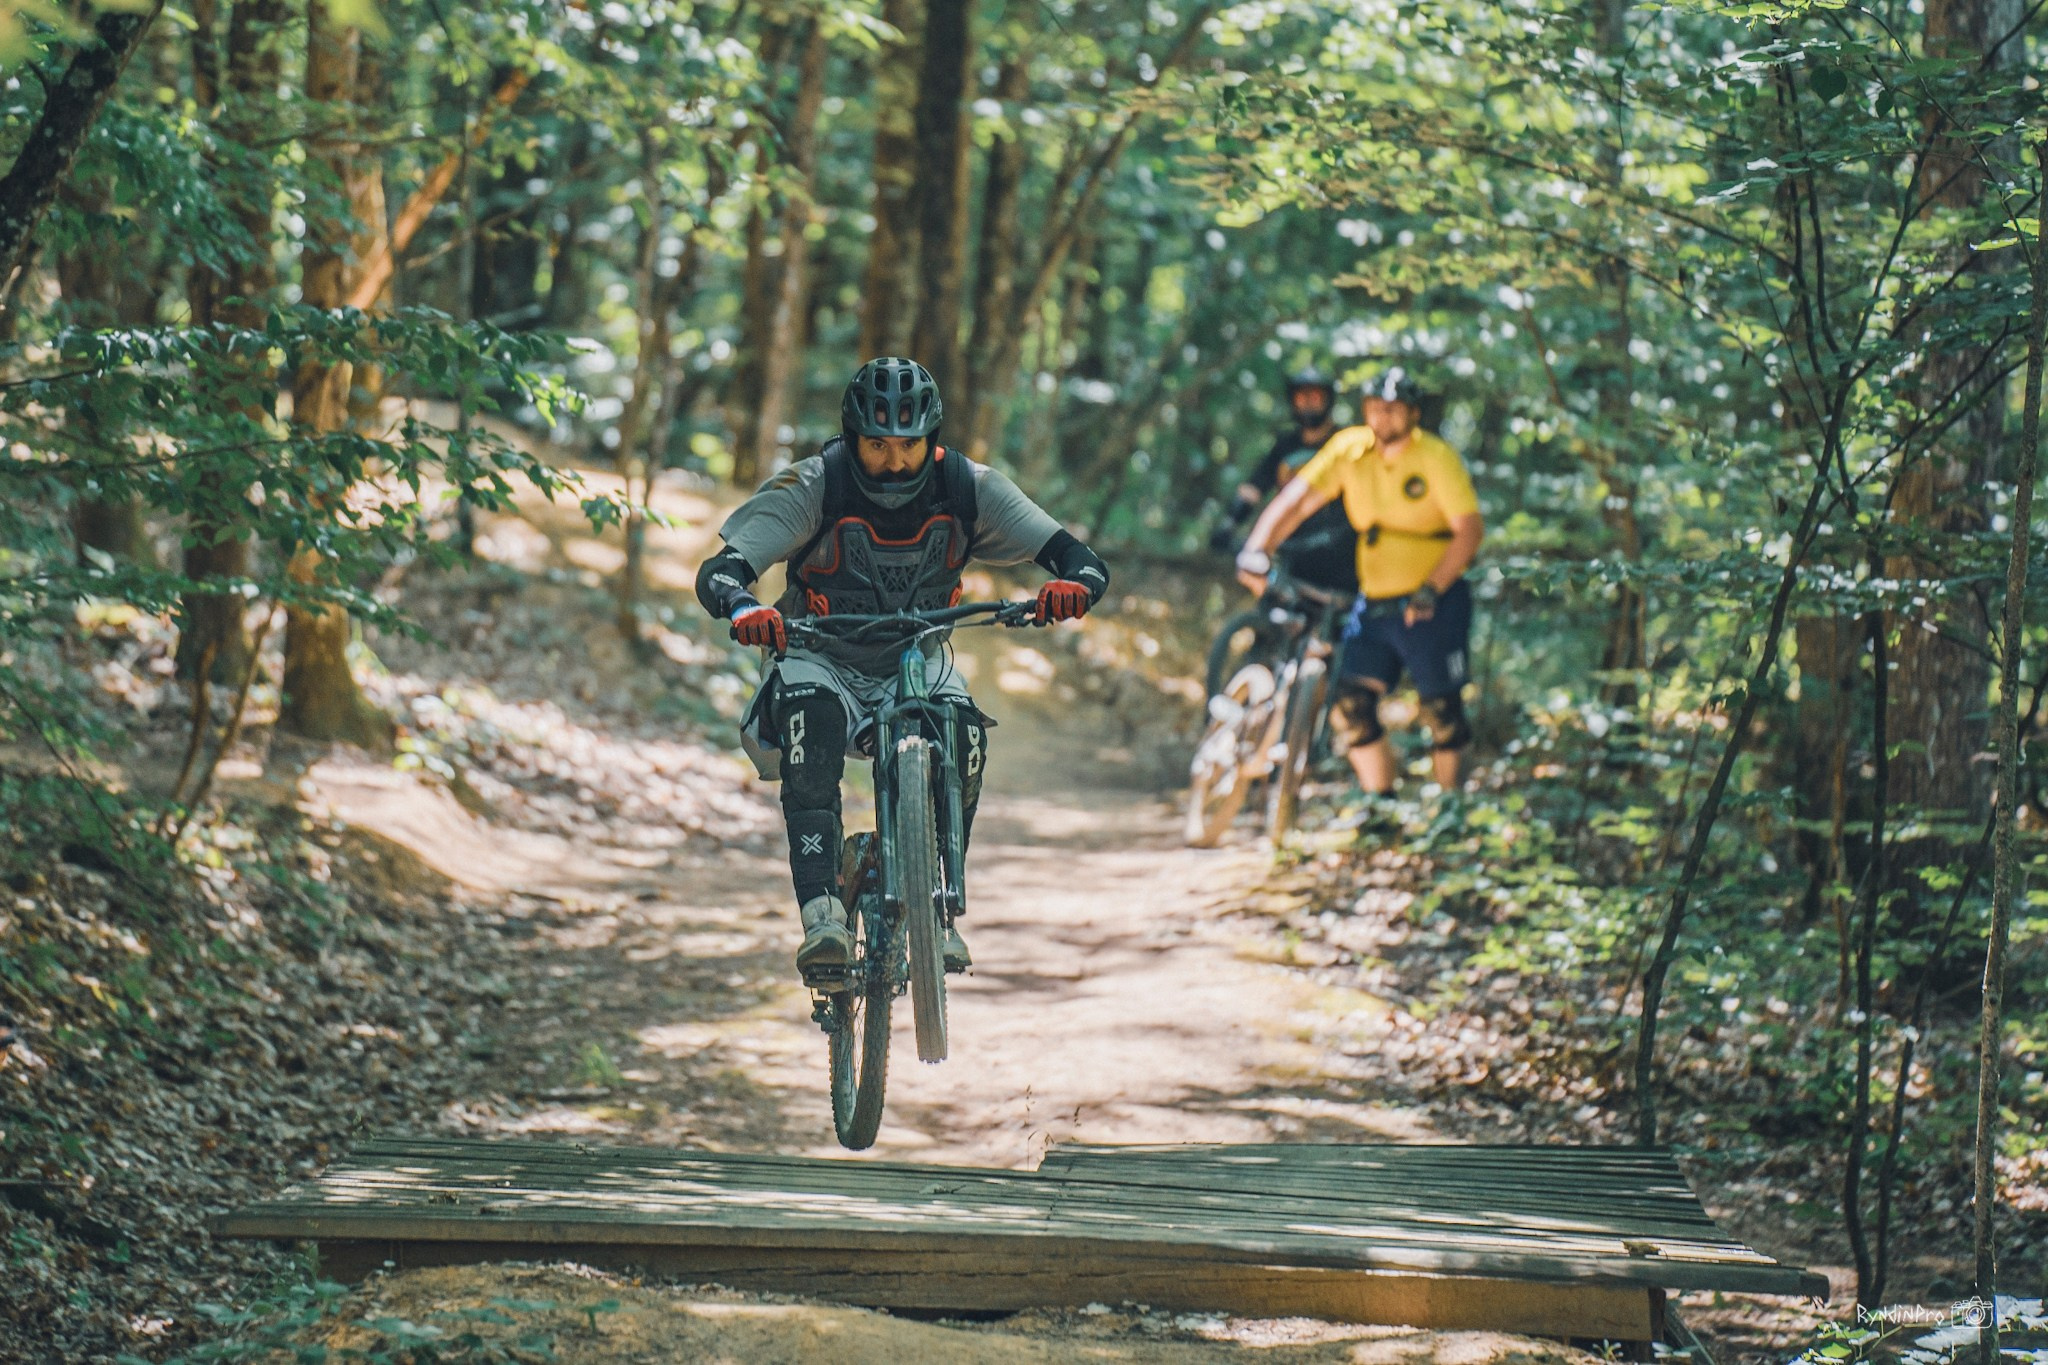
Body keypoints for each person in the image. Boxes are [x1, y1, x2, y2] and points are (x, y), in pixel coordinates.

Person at [696, 357, 1110, 982]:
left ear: (932, 440)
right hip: (820, 653)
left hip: (918, 658)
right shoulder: (815, 486)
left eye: (909, 446)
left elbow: (1078, 559)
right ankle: (823, 919)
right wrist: (747, 606)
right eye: (877, 444)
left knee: (965, 736)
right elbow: (721, 571)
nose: (893, 462)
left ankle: (938, 912)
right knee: (812, 730)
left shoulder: (970, 488)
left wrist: (1070, 588)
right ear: (851, 437)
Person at [1234, 367, 1483, 795]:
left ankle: (1451, 812)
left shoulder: (1435, 457)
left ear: (1413, 413)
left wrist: (1433, 587)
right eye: (1373, 408)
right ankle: (1381, 805)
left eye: (1392, 409)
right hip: (1376, 601)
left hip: (1433, 601)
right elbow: (1295, 501)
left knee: (1442, 711)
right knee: (1348, 702)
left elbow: (1469, 530)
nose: (1381, 417)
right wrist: (1257, 547)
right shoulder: (1349, 448)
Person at [1208, 367, 1357, 597]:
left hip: (1338, 552)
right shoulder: (1285, 445)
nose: (1307, 404)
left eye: (1314, 397)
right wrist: (1230, 522)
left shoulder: (1344, 444)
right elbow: (1255, 487)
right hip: (1291, 546)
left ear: (1328, 400)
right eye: (1301, 397)